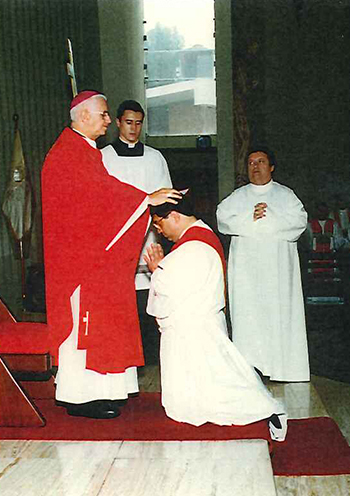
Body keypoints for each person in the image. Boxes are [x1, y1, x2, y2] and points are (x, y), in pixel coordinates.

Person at [41, 90, 181, 419]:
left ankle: (103, 392)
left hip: (92, 256)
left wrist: (143, 199)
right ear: (84, 115)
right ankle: (79, 398)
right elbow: (98, 196)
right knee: (83, 328)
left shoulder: (82, 150)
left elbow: (100, 194)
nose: (108, 120)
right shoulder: (68, 153)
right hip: (78, 261)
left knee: (104, 324)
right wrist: (145, 198)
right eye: (104, 114)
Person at [144, 192, 287, 442]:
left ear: (174, 216)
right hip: (199, 326)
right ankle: (265, 409)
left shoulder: (193, 246)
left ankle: (268, 411)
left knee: (222, 382)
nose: (159, 231)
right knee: (218, 377)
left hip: (196, 329)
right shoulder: (199, 238)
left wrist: (157, 270)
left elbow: (172, 286)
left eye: (159, 223)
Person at [216, 147, 310, 382]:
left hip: (277, 272)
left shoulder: (286, 195)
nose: (255, 166)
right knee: (248, 316)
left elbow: (299, 222)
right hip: (246, 273)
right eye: (250, 162)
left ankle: (282, 368)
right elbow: (222, 220)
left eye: (261, 161)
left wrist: (269, 217)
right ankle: (249, 369)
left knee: (278, 315)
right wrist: (250, 216)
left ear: (272, 167)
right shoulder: (238, 197)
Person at [101, 100, 172, 364]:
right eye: (128, 122)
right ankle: (122, 353)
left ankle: (150, 354)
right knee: (121, 296)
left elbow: (165, 196)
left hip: (148, 235)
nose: (133, 129)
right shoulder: (104, 156)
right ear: (118, 122)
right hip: (116, 237)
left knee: (148, 292)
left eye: (138, 123)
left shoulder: (155, 157)